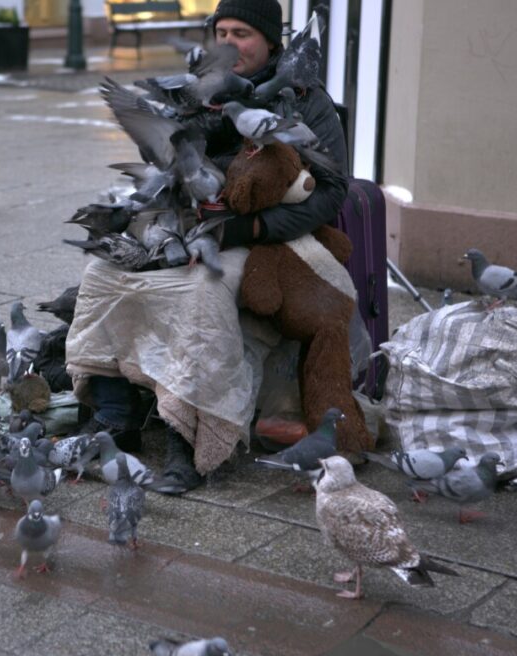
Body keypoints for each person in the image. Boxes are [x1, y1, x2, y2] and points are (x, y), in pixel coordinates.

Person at [65, 0, 349, 494]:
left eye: (243, 33)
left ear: (270, 43)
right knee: (104, 276)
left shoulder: (306, 98)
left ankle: (189, 438)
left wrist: (249, 230)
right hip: (185, 225)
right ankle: (117, 418)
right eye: (222, 32)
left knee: (199, 295)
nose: (230, 43)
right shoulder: (199, 86)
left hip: (265, 236)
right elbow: (158, 154)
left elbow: (331, 193)